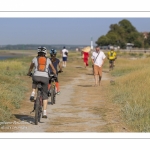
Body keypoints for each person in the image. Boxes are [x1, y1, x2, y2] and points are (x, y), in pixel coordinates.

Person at [27, 46, 56, 118]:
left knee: (34, 80)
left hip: (36, 76)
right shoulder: (48, 60)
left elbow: (31, 67)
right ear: (45, 53)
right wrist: (55, 74)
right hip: (45, 78)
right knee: (45, 95)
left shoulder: (34, 59)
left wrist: (29, 73)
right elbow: (52, 68)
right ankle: (44, 112)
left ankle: (33, 93)